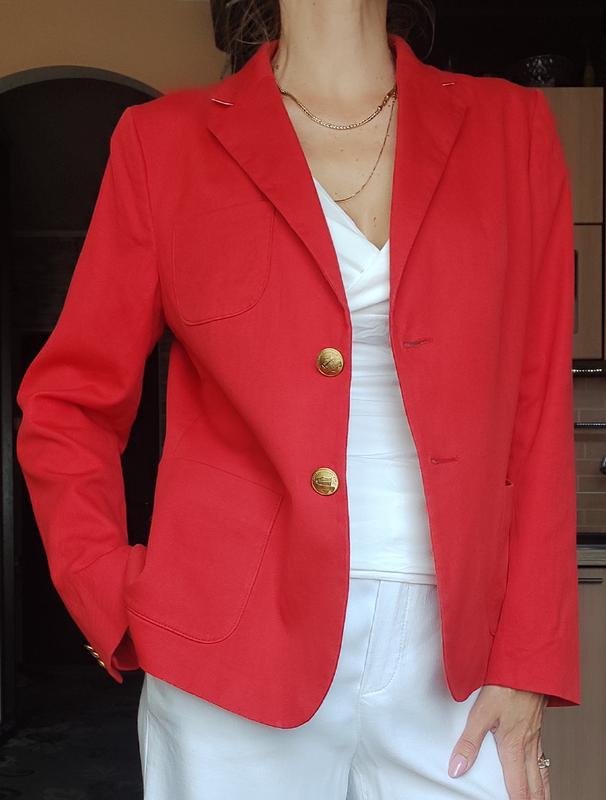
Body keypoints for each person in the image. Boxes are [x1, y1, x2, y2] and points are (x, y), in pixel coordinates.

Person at [15, 1, 579, 798]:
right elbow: (69, 403)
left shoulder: (512, 129)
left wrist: (530, 657)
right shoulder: (163, 142)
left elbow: (538, 409)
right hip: (226, 653)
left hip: (458, 662)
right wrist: (112, 594)